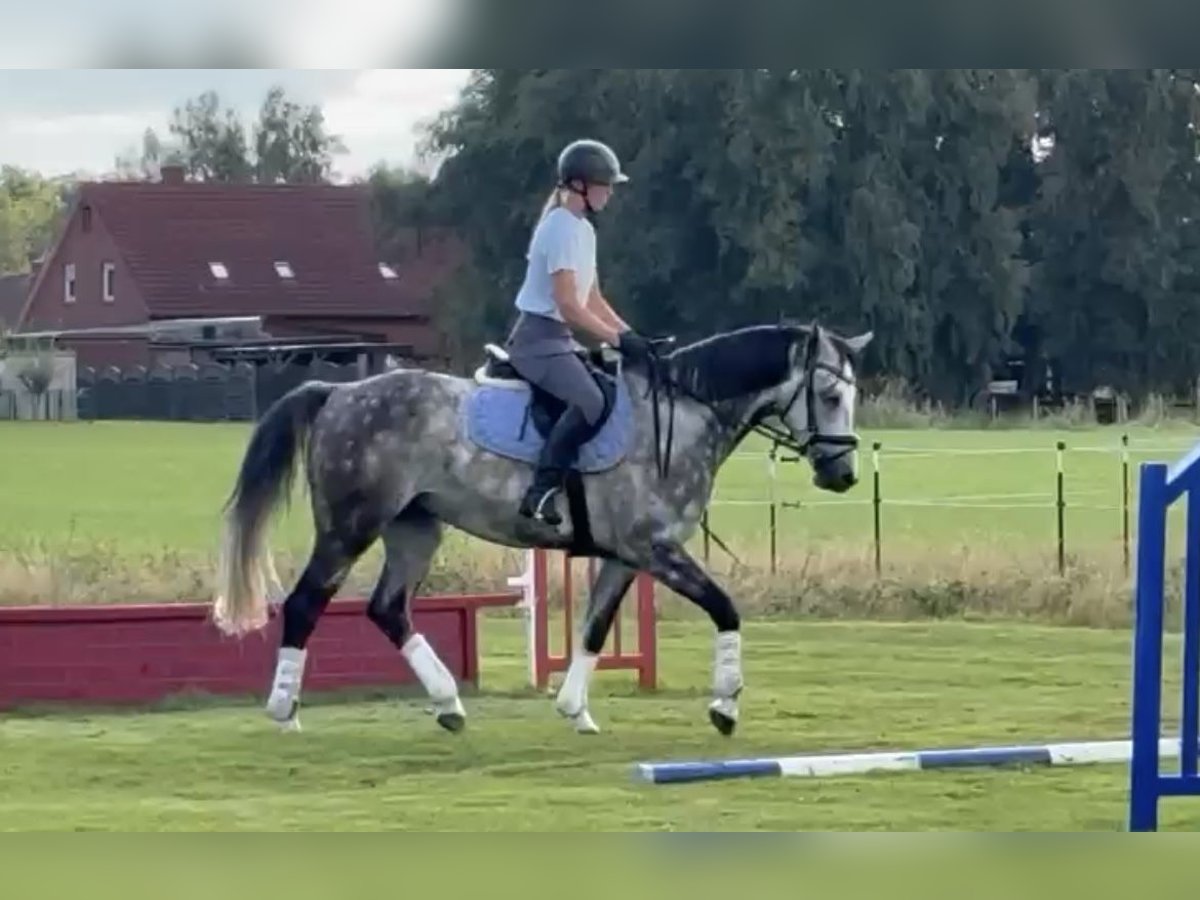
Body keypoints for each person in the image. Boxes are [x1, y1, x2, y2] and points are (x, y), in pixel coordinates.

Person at [505, 138, 654, 525]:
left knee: (608, 391)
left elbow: (593, 299)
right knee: (590, 402)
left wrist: (633, 337)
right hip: (536, 342)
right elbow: (570, 306)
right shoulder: (559, 229)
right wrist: (617, 340)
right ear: (579, 186)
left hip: (558, 340)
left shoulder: (583, 230)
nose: (609, 193)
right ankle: (540, 492)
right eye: (604, 184)